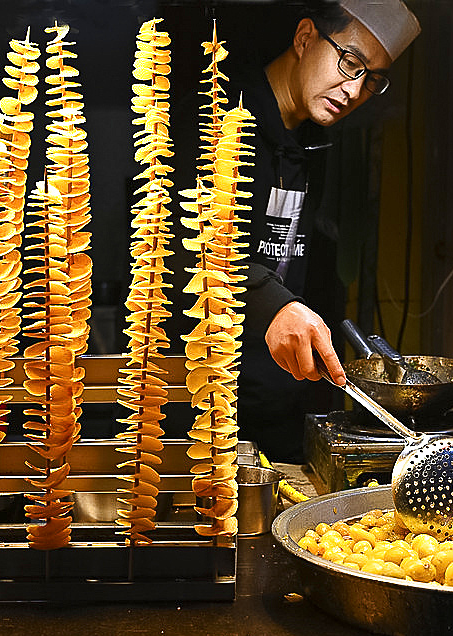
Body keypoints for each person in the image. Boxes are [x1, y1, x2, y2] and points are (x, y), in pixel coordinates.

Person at [173, 0, 421, 463]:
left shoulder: (312, 139)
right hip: (196, 403)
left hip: (276, 404)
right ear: (305, 37)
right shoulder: (212, 121)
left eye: (372, 80)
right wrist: (277, 304)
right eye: (351, 62)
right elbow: (186, 248)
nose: (354, 90)